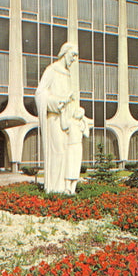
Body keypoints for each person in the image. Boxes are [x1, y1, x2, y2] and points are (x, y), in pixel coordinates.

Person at [35, 42, 78, 194]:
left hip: (65, 120)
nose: (74, 59)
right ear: (65, 53)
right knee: (58, 151)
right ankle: (54, 188)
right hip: (54, 119)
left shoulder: (67, 74)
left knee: (65, 152)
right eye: (73, 55)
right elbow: (40, 93)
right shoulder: (51, 70)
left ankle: (63, 188)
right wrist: (57, 102)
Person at [62, 106, 89, 195]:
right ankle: (67, 188)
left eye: (80, 112)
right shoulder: (70, 122)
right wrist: (62, 113)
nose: (78, 113)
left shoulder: (81, 124)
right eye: (77, 111)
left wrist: (85, 123)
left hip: (78, 146)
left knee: (76, 167)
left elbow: (87, 135)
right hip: (70, 146)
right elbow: (63, 125)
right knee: (69, 166)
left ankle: (73, 189)